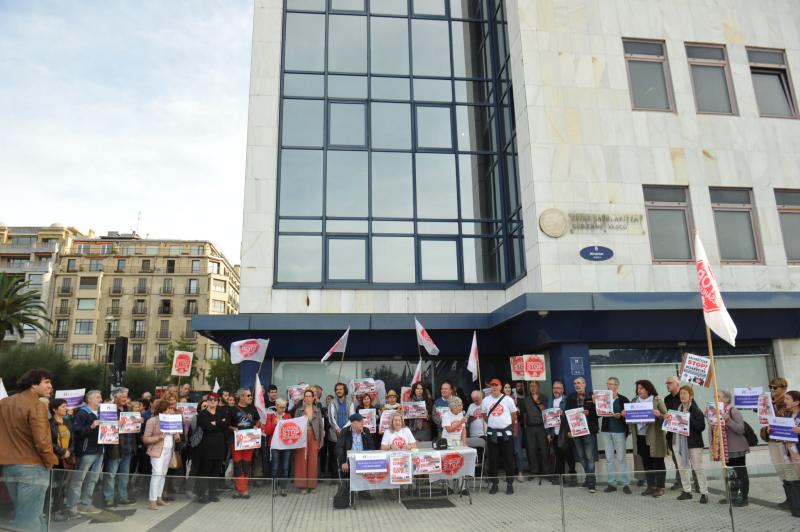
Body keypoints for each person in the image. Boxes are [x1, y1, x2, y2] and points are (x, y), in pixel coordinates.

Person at [0, 369, 58, 531]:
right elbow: (42, 441)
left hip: (9, 467)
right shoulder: (36, 405)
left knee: (30, 514)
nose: (50, 386)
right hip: (33, 466)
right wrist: (50, 461)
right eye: (46, 382)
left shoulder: (4, 403)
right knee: (28, 519)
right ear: (33, 384)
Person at [624, 379, 667, 498]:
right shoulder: (634, 401)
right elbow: (630, 418)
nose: (639, 390)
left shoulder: (657, 401)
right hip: (640, 437)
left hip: (655, 438)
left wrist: (659, 415)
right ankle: (651, 486)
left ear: (648, 389)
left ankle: (660, 487)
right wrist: (625, 414)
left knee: (658, 462)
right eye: (638, 388)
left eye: (642, 388)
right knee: (647, 463)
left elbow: (667, 418)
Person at [64, 389, 105, 517]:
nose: (101, 399)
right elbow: (77, 432)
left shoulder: (102, 413)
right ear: (89, 399)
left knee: (93, 479)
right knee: (79, 479)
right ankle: (72, 506)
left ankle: (86, 504)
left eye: (100, 397)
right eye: (98, 397)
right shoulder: (82, 413)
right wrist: (91, 426)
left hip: (99, 449)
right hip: (87, 451)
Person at [713, 389, 750, 507]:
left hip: (736, 448)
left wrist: (728, 420)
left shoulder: (734, 411)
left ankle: (744, 497)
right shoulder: (718, 411)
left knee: (741, 474)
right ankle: (732, 496)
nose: (716, 399)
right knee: (731, 474)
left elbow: (741, 429)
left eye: (719, 396)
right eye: (715, 396)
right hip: (725, 448)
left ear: (727, 399)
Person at [672, 385, 708, 503]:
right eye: (681, 393)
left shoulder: (696, 410)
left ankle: (704, 493)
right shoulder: (677, 409)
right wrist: (668, 419)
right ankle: (687, 491)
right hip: (679, 443)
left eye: (685, 393)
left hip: (694, 444)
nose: (682, 396)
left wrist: (689, 417)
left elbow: (701, 427)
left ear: (691, 396)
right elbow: (673, 424)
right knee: (682, 468)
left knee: (698, 468)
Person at [143, 399, 181, 510]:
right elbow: (145, 439)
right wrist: (158, 437)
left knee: (163, 474)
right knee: (157, 473)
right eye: (169, 408)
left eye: (171, 408)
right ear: (162, 410)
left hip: (169, 450)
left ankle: (159, 497)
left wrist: (177, 436)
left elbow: (176, 437)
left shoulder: (172, 420)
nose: (171, 411)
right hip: (157, 450)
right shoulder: (152, 421)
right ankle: (152, 500)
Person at [482, 378, 518, 495]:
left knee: (509, 460)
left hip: (506, 435)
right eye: (492, 385)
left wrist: (505, 426)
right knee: (493, 460)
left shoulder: (508, 400)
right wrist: (494, 424)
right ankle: (494, 484)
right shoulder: (486, 400)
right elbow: (484, 415)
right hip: (492, 435)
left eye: (496, 385)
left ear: (500, 387)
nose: (494, 387)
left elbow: (513, 415)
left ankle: (509, 484)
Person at [763, 377, 793, 510]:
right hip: (772, 439)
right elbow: (764, 419)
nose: (772, 389)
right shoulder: (768, 401)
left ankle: (794, 498)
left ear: (783, 388)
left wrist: (773, 409)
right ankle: (789, 498)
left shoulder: (787, 401)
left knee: (788, 469)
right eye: (770, 387)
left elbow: (786, 419)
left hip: (784, 441)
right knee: (779, 469)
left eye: (774, 387)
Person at [103, 387, 136, 508]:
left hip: (128, 446)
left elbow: (133, 427)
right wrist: (115, 424)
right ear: (115, 397)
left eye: (126, 396)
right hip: (114, 447)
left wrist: (138, 421)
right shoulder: (108, 409)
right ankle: (108, 498)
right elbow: (103, 426)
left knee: (124, 474)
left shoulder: (129, 409)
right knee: (111, 474)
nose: (125, 399)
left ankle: (123, 497)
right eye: (122, 397)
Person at [565, 377, 598, 493]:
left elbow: (599, 414)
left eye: (579, 383)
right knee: (581, 457)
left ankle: (591, 483)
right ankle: (589, 479)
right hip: (576, 431)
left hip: (589, 431)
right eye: (575, 383)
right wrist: (568, 430)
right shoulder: (571, 398)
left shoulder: (592, 396)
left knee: (589, 457)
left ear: (584, 384)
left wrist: (589, 413)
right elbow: (567, 415)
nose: (576, 385)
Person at [194, 393, 229, 503]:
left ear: (218, 401)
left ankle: (213, 494)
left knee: (215, 471)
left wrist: (216, 423)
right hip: (206, 447)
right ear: (207, 401)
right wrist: (220, 424)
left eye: (215, 399)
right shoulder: (203, 414)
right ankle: (202, 494)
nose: (213, 401)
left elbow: (226, 425)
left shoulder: (221, 412)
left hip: (219, 446)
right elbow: (206, 427)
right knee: (205, 470)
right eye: (211, 399)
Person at [600, 377, 631, 494]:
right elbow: (598, 413)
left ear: (617, 386)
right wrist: (596, 403)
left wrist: (622, 415)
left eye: (611, 384)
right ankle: (611, 483)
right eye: (608, 384)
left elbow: (630, 415)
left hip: (619, 431)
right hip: (606, 431)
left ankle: (625, 483)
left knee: (621, 457)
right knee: (609, 458)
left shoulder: (623, 399)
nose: (609, 386)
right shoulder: (603, 399)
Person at [230, 387, 260, 499]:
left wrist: (256, 426)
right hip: (236, 441)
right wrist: (233, 428)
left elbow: (258, 420)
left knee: (246, 465)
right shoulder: (232, 409)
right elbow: (227, 425)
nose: (251, 397)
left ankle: (243, 489)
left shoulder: (252, 408)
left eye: (251, 395)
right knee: (238, 465)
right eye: (248, 395)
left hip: (249, 441)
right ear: (241, 397)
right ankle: (241, 489)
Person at [48, 398, 75, 521]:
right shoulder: (49, 423)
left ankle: (58, 508)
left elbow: (73, 439)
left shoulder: (67, 421)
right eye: (63, 406)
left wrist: (69, 451)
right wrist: (62, 451)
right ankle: (52, 511)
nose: (66, 408)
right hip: (55, 459)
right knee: (53, 486)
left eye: (66, 406)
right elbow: (48, 442)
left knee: (62, 485)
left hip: (66, 459)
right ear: (54, 409)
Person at [294, 388, 325, 493]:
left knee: (313, 460)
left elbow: (321, 427)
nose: (308, 398)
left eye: (310, 396)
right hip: (302, 437)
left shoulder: (317, 410)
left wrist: (321, 441)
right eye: (306, 396)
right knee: (301, 460)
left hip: (314, 436)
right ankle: (302, 486)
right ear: (304, 398)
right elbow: (294, 426)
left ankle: (312, 485)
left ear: (313, 398)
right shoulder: (299, 410)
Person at [520, 381, 549, 479]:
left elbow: (545, 410)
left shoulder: (543, 397)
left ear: (538, 387)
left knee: (544, 449)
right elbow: (524, 414)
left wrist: (538, 402)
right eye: (531, 386)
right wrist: (525, 426)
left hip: (541, 426)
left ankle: (546, 471)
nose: (532, 388)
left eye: (534, 386)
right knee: (531, 450)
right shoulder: (525, 400)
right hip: (530, 427)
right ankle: (534, 470)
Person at [550, 380, 576, 486]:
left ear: (563, 390)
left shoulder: (567, 400)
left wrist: (563, 413)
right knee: (559, 456)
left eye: (558, 388)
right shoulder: (551, 401)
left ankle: (573, 478)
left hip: (565, 432)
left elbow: (573, 414)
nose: (556, 390)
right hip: (555, 433)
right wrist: (549, 433)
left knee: (569, 456)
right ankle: (561, 478)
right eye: (554, 388)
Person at [266, 398, 292, 497]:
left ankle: (283, 488)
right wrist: (274, 424)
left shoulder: (288, 416)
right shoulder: (270, 416)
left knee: (285, 468)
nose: (283, 410)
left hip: (286, 445)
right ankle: (274, 488)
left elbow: (291, 429)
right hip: (274, 445)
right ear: (276, 406)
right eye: (281, 407)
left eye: (284, 407)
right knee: (275, 468)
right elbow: (267, 432)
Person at [327, 383, 352, 478]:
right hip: (335, 433)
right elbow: (331, 418)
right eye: (337, 389)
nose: (338, 391)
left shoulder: (350, 402)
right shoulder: (332, 402)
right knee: (334, 457)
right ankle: (335, 478)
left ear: (344, 390)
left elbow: (351, 417)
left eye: (341, 389)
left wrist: (343, 429)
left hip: (347, 433)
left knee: (346, 455)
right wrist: (337, 428)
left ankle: (346, 477)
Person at [663, 376, 683, 491]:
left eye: (670, 383)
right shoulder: (667, 399)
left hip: (684, 434)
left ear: (677, 384)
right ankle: (679, 481)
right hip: (672, 433)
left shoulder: (684, 395)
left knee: (689, 459)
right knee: (676, 459)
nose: (667, 385)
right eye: (666, 383)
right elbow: (667, 414)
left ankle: (697, 483)